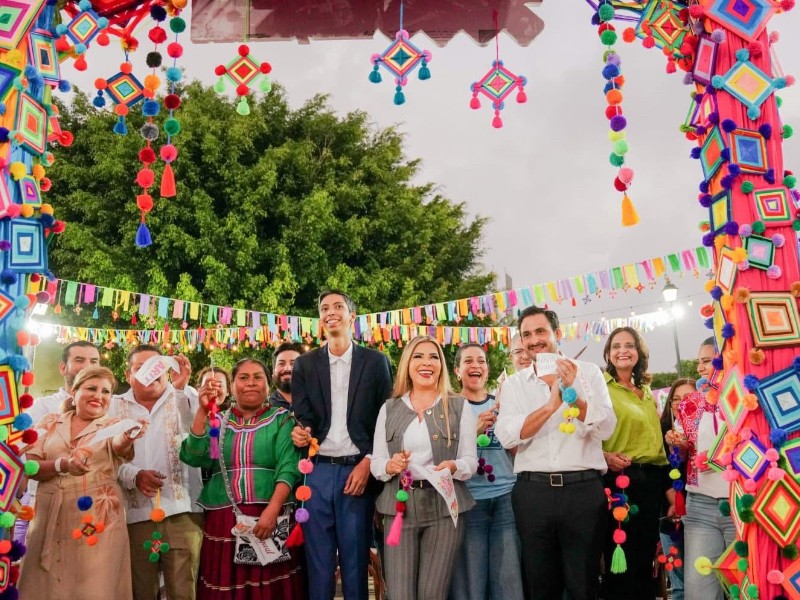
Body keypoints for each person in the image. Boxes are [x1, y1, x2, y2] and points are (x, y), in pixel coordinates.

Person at [495, 306, 616, 600]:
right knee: (540, 584)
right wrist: (551, 405)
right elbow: (507, 434)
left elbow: (606, 428)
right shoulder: (513, 385)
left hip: (582, 491)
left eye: (540, 332)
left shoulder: (588, 374)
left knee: (584, 584)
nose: (534, 340)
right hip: (532, 493)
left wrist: (574, 391)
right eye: (526, 335)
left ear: (557, 334)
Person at [291, 290, 393, 600]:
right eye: (324, 308)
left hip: (358, 471)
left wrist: (368, 462)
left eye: (338, 306)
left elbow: (386, 420)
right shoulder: (305, 365)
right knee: (319, 567)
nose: (330, 311)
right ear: (320, 319)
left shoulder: (375, 362)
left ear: (352, 316)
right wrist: (301, 432)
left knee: (354, 565)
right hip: (317, 473)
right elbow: (303, 417)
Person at [18, 367, 147, 600]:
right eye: (91, 388)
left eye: (106, 391)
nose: (99, 395)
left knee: (93, 589)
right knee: (42, 589)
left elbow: (118, 445)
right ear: (74, 392)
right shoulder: (50, 422)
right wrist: (62, 466)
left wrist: (128, 437)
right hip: (48, 518)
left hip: (97, 523)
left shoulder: (116, 425)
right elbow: (32, 466)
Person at [181, 358, 305, 599]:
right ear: (233, 385)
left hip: (270, 517)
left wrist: (272, 511)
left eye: (258, 377)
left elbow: (288, 468)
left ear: (267, 385)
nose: (251, 384)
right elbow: (196, 456)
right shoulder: (218, 424)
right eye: (243, 378)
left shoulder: (282, 419)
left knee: (270, 589)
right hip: (225, 520)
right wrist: (202, 411)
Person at [371, 336, 477, 600]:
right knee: (400, 594)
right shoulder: (390, 407)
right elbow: (376, 463)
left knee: (433, 593)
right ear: (408, 363)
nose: (426, 363)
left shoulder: (458, 406)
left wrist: (453, 466)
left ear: (441, 365)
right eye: (419, 356)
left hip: (444, 508)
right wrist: (390, 465)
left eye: (433, 357)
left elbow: (470, 461)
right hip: (399, 508)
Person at [108, 344, 204, 600]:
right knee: (140, 590)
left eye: (156, 366)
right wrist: (133, 475)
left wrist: (182, 387)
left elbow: (202, 438)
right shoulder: (113, 406)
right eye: (141, 368)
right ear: (129, 376)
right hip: (133, 515)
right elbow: (105, 458)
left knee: (184, 590)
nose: (150, 373)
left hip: (182, 513)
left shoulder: (187, 397)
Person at [601, 327, 674, 600]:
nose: (623, 350)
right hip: (620, 483)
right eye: (616, 345)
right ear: (608, 353)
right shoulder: (602, 388)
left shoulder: (645, 391)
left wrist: (668, 490)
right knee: (621, 562)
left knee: (647, 560)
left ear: (639, 352)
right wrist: (605, 457)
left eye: (629, 345)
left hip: (652, 483)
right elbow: (589, 432)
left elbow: (657, 449)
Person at [448, 343, 523, 600]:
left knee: (508, 581)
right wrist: (474, 431)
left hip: (507, 499)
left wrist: (507, 430)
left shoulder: (503, 406)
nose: (475, 366)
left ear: (488, 370)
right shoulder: (448, 408)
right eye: (468, 361)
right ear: (457, 371)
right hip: (468, 502)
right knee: (472, 583)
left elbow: (518, 454)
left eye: (481, 361)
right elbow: (440, 458)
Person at [678, 338, 736, 600]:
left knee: (746, 588)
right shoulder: (689, 403)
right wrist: (676, 444)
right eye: (698, 361)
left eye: (707, 360)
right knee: (699, 591)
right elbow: (683, 453)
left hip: (742, 506)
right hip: (700, 506)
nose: (700, 367)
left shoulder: (746, 396)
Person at [659, 378, 696, 600]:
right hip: (670, 512)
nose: (682, 403)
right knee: (678, 580)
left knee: (701, 574)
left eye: (689, 397)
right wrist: (673, 501)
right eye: (676, 399)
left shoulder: (709, 429)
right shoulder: (661, 429)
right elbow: (658, 469)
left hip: (701, 510)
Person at [26, 341, 101, 424]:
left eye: (94, 362)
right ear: (63, 368)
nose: (87, 367)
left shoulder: (113, 405)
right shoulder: (42, 406)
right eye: (79, 360)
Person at [269, 342, 303, 411]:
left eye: (293, 363)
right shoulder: (262, 407)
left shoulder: (317, 406)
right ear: (273, 371)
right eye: (281, 364)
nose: (287, 369)